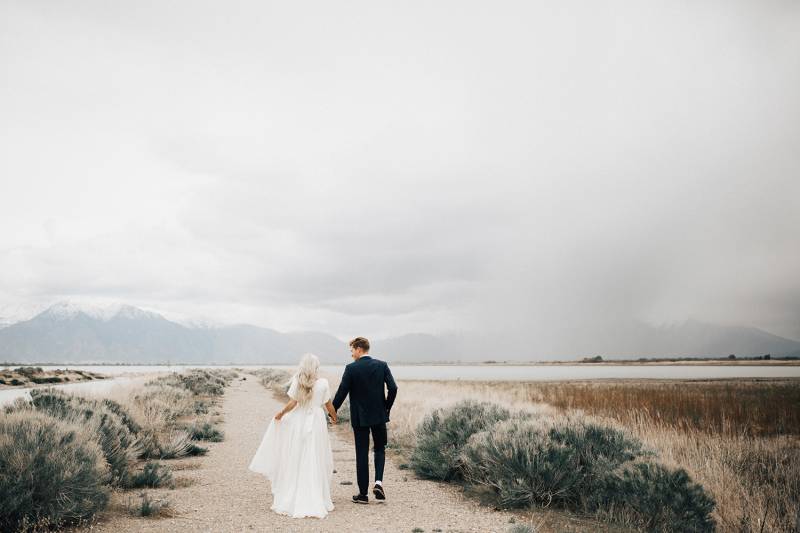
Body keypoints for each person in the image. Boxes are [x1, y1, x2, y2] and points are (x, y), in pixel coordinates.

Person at [248, 353, 338, 518]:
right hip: (317, 422)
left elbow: (293, 403)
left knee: (298, 455)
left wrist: (280, 414)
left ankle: (295, 493)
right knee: (315, 454)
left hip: (300, 420)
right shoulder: (323, 383)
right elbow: (328, 405)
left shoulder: (299, 381)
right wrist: (334, 417)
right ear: (316, 367)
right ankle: (316, 494)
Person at [332, 336, 398, 504]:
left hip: (360, 418)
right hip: (379, 416)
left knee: (361, 453)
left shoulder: (351, 369)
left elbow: (341, 392)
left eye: (352, 350)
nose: (351, 354)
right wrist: (386, 408)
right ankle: (378, 482)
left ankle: (363, 495)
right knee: (380, 448)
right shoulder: (382, 365)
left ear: (359, 349)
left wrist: (332, 411)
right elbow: (393, 388)